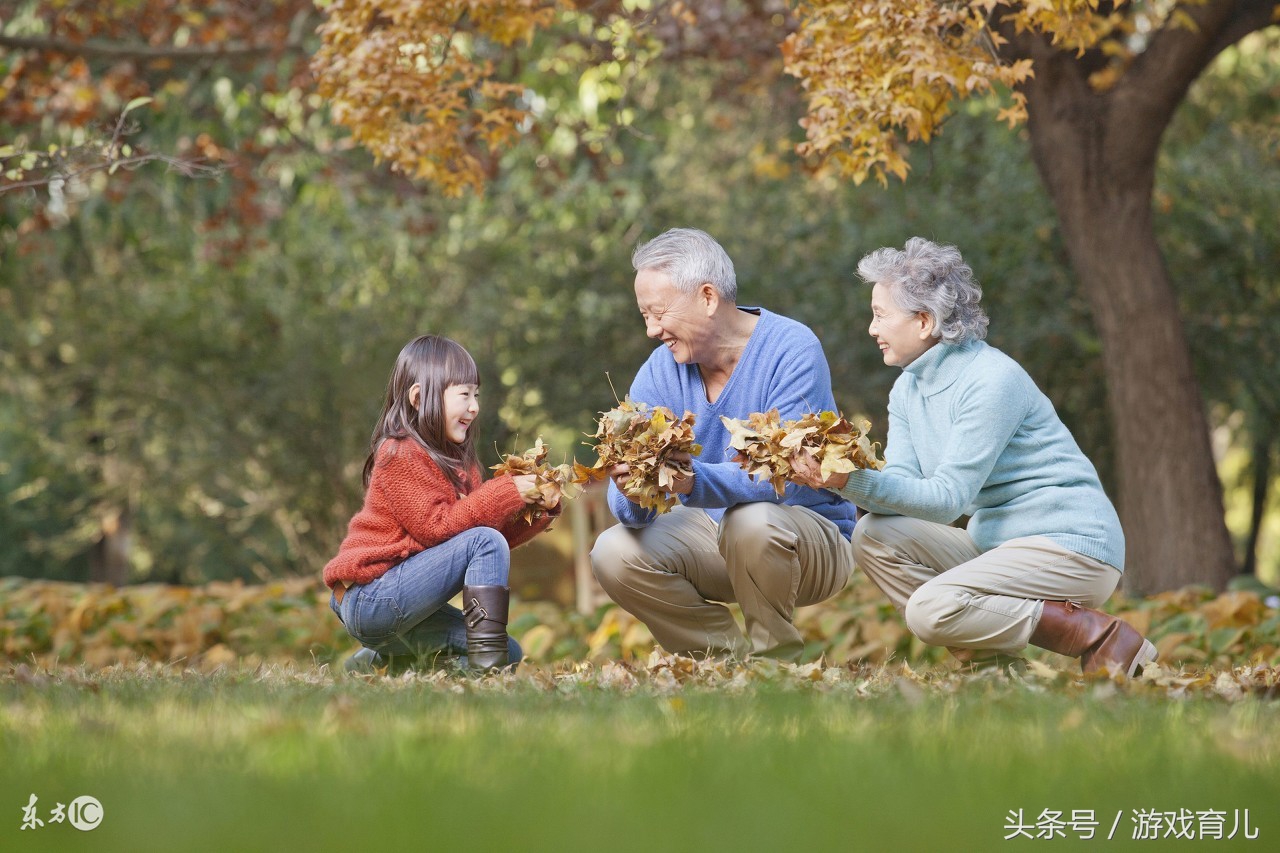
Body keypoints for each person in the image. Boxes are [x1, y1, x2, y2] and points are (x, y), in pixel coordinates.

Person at [789, 237, 1157, 676]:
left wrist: (846, 482)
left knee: (928, 611)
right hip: (999, 546)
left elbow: (947, 501)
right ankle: (994, 670)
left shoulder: (990, 380)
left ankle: (1098, 634)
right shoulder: (908, 388)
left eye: (880, 315)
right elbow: (904, 484)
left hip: (1070, 547)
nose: (872, 328)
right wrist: (838, 469)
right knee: (872, 535)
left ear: (924, 321)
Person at [590, 228, 858, 661]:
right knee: (613, 551)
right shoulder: (662, 371)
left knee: (749, 521)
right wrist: (632, 489)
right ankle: (723, 668)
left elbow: (783, 475)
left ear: (708, 297)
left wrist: (690, 482)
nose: (651, 330)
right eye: (644, 315)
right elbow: (631, 515)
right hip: (713, 538)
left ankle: (778, 668)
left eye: (657, 313)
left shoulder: (791, 349)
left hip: (808, 539)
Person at [323, 334, 559, 672]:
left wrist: (534, 510)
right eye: (464, 395)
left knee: (507, 649)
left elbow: (486, 544)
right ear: (419, 398)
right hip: (370, 599)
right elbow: (437, 528)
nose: (475, 406)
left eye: (476, 395)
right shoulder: (398, 452)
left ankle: (382, 665)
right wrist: (505, 492)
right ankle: (485, 673)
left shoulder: (460, 466)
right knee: (488, 650)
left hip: (404, 614)